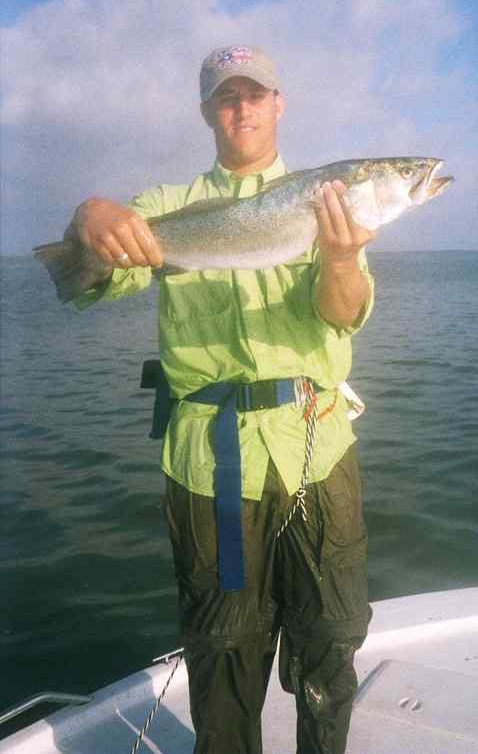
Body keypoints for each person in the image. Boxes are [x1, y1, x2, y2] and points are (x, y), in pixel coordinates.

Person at [67, 45, 376, 754]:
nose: (242, 107)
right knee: (223, 654)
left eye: (255, 94)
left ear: (278, 103)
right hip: (210, 465)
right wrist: (89, 218)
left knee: (331, 639)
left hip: (316, 447)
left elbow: (343, 311)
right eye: (227, 96)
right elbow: (93, 279)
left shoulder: (327, 201)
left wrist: (336, 256)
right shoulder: (167, 209)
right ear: (208, 110)